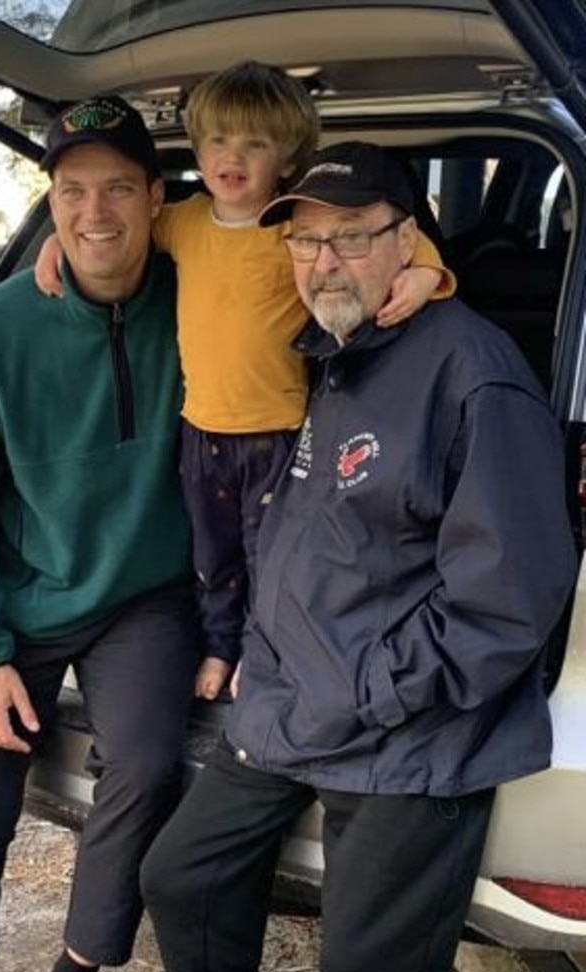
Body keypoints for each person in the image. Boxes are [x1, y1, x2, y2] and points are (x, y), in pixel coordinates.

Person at [139, 141, 578, 972]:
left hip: (411, 732)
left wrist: (375, 689)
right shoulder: (337, 350)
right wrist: (271, 662)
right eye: (304, 242)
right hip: (296, 701)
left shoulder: (476, 374)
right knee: (179, 876)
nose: (322, 262)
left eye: (349, 237)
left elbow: (507, 601)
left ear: (407, 241)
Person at [35, 62, 457, 702]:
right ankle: (219, 646)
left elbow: (394, 239)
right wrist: (53, 245)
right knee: (212, 557)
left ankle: (265, 652)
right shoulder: (182, 221)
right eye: (218, 142)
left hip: (282, 433)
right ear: (198, 151)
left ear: (286, 161)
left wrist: (425, 270)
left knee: (273, 557)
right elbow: (108, 235)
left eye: (255, 145)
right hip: (200, 431)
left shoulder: (293, 228)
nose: (232, 158)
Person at [0, 96, 199, 972]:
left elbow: (317, 248)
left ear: (158, 196)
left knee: (152, 766)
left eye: (119, 186)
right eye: (73, 191)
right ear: (51, 201)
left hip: (142, 596)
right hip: (19, 598)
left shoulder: (203, 293)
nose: (95, 213)